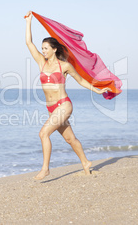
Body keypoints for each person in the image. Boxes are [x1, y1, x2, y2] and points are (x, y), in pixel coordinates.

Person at [25, 11, 111, 180]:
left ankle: (45, 169)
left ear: (54, 49)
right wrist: (28, 22)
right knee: (70, 139)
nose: (43, 51)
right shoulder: (41, 63)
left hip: (64, 105)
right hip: (51, 108)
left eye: (46, 48)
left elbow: (81, 81)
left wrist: (97, 89)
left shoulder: (64, 66)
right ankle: (85, 162)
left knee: (43, 134)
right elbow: (28, 43)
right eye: (42, 49)